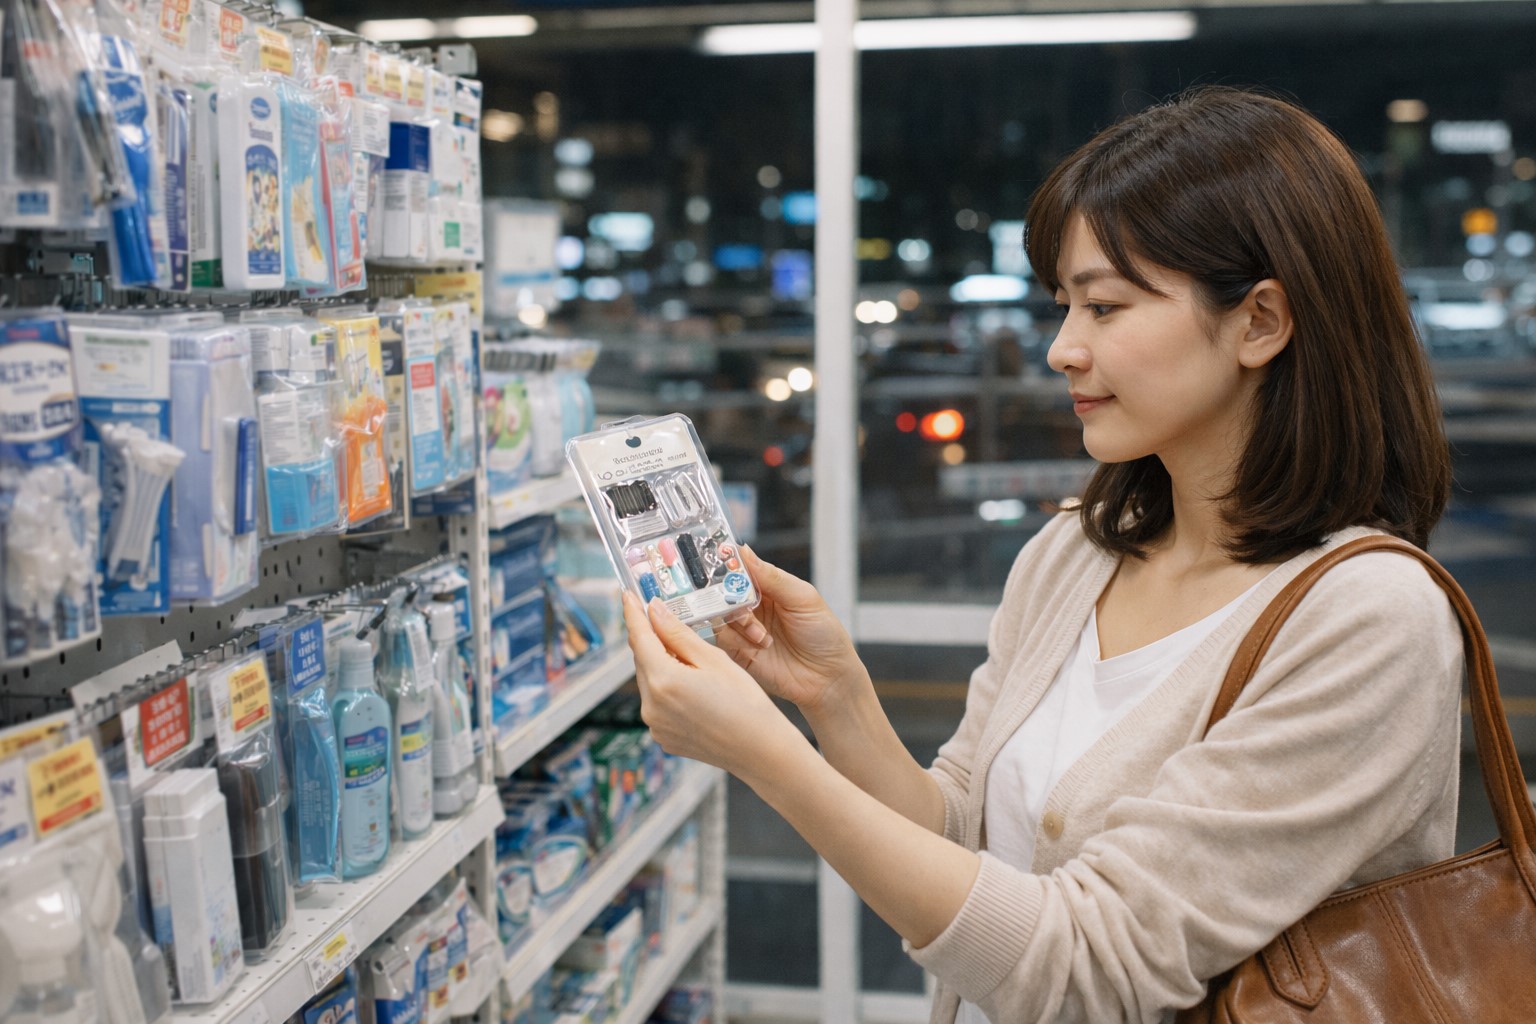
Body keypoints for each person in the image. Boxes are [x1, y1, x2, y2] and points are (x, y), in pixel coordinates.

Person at [620, 86, 1465, 1023]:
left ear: (1260, 321)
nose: (1062, 349)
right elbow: (966, 838)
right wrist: (834, 699)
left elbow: (1090, 965)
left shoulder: (1369, 620)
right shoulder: (1076, 552)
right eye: (1065, 306)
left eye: (1104, 306)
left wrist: (766, 755)